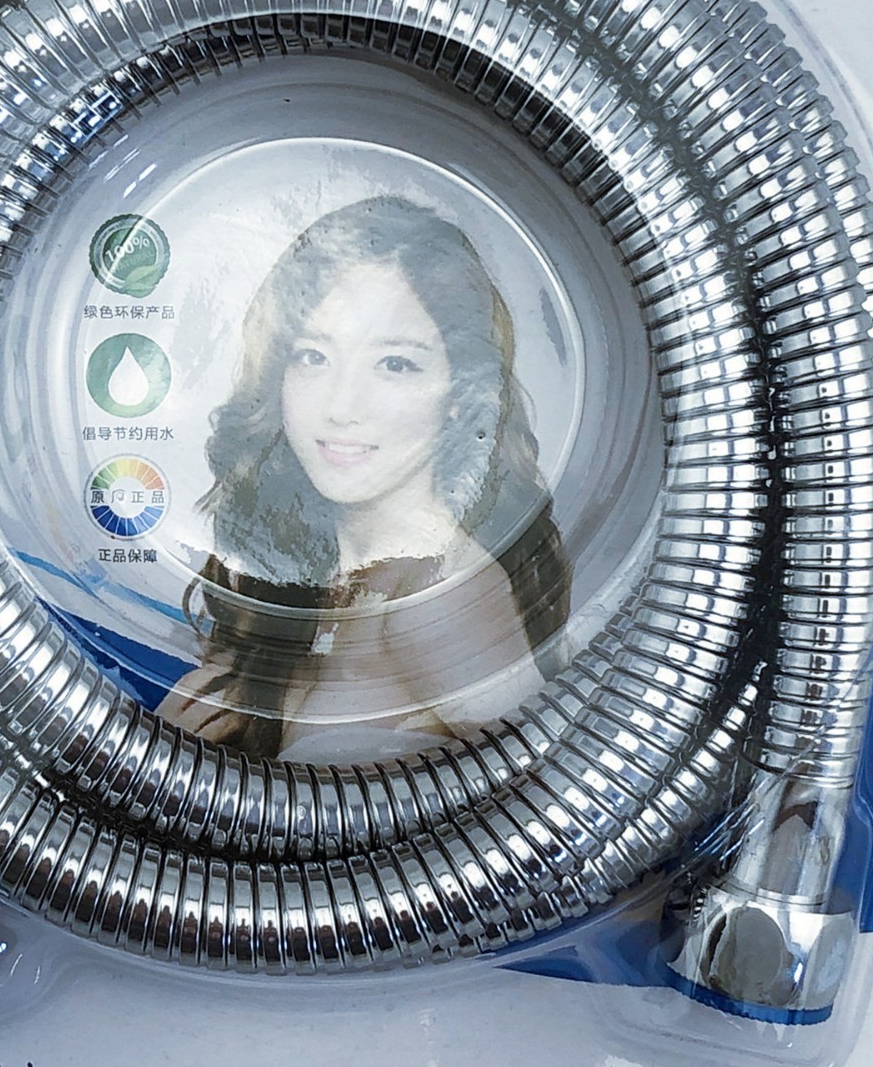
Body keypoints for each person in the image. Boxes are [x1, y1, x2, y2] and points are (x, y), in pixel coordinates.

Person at [157, 196, 572, 761]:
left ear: (462, 390)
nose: (341, 406)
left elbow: (557, 794)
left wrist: (171, 771)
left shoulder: (436, 598)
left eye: (395, 364)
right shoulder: (320, 580)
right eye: (312, 356)